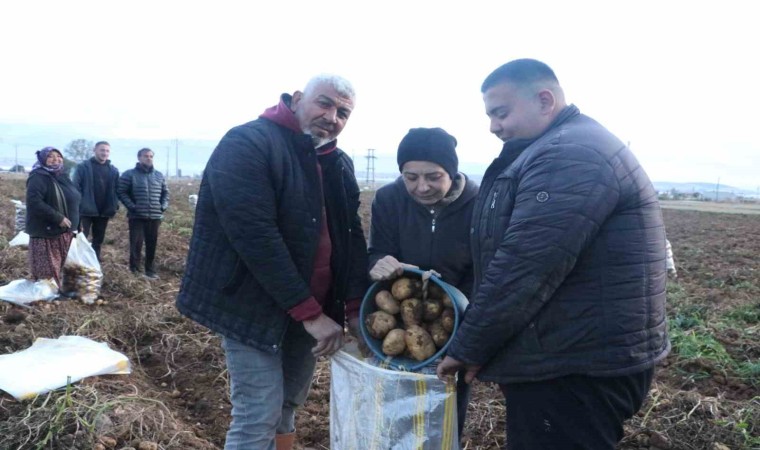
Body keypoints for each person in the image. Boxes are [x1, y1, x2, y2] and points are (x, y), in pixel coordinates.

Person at [436, 59, 670, 450]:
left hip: (574, 365)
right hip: (567, 354)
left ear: (545, 100)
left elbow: (525, 266)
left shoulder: (571, 155)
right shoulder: (561, 147)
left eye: (501, 112)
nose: (494, 126)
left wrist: (469, 347)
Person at [175, 74, 368, 450]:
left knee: (287, 406)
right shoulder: (248, 143)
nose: (332, 117)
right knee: (257, 413)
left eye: (343, 112)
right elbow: (254, 235)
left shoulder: (336, 162)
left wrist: (355, 305)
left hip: (312, 307)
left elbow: (351, 237)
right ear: (297, 98)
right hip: (253, 303)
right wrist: (311, 315)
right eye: (324, 103)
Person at [366, 127, 478, 442]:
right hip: (401, 317)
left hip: (455, 323)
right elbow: (376, 252)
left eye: (434, 176)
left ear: (452, 172)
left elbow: (486, 273)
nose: (422, 186)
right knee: (395, 415)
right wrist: (378, 264)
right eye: (410, 177)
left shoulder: (480, 203)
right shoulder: (389, 199)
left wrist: (464, 336)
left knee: (446, 417)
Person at [25, 147, 81, 292]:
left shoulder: (62, 175)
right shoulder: (38, 176)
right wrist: (58, 217)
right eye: (50, 156)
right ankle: (44, 300)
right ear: (43, 159)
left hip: (64, 231)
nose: (56, 159)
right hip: (45, 232)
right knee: (47, 271)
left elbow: (73, 199)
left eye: (58, 156)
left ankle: (53, 295)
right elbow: (34, 202)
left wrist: (78, 223)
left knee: (59, 268)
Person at [116, 148, 169, 279]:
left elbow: (165, 193)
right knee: (136, 244)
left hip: (155, 215)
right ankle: (135, 270)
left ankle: (150, 270)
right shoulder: (129, 174)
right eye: (146, 156)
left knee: (152, 244)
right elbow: (121, 192)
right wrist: (132, 207)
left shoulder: (159, 175)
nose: (149, 158)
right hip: (137, 216)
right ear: (139, 158)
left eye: (151, 156)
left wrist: (163, 206)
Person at [71, 141, 120, 262]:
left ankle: (94, 264)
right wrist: (79, 204)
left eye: (107, 151)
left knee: (98, 241)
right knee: (81, 239)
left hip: (103, 211)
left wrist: (115, 205)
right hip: (86, 211)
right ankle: (78, 264)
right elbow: (75, 187)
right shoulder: (83, 167)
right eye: (102, 150)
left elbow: (117, 190)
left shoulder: (113, 171)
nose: (105, 153)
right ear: (95, 150)